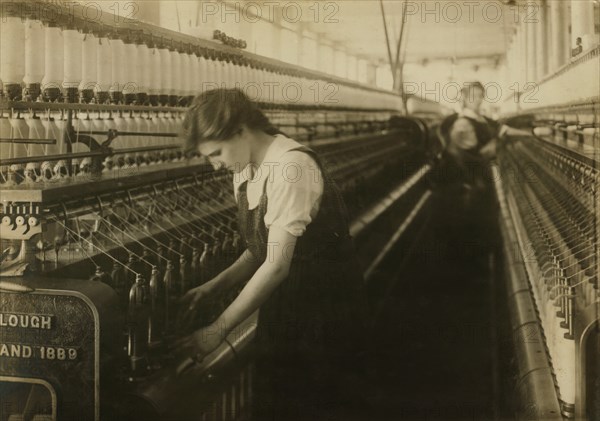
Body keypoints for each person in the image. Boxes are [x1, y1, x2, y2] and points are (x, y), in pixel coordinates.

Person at [174, 89, 369, 420]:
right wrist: (214, 287)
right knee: (279, 400)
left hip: (324, 305)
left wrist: (216, 330)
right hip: (291, 300)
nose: (214, 165)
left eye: (216, 152)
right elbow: (261, 249)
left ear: (241, 130)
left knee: (317, 404)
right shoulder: (247, 168)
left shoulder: (291, 167)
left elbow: (276, 265)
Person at [434, 82, 506, 277]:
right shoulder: (461, 123)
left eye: (481, 95)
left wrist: (534, 133)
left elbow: (501, 130)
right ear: (465, 97)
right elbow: (464, 154)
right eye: (473, 95)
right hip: (466, 182)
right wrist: (491, 149)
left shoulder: (481, 119)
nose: (478, 99)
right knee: (467, 225)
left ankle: (478, 267)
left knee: (480, 224)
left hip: (479, 178)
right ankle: (466, 275)